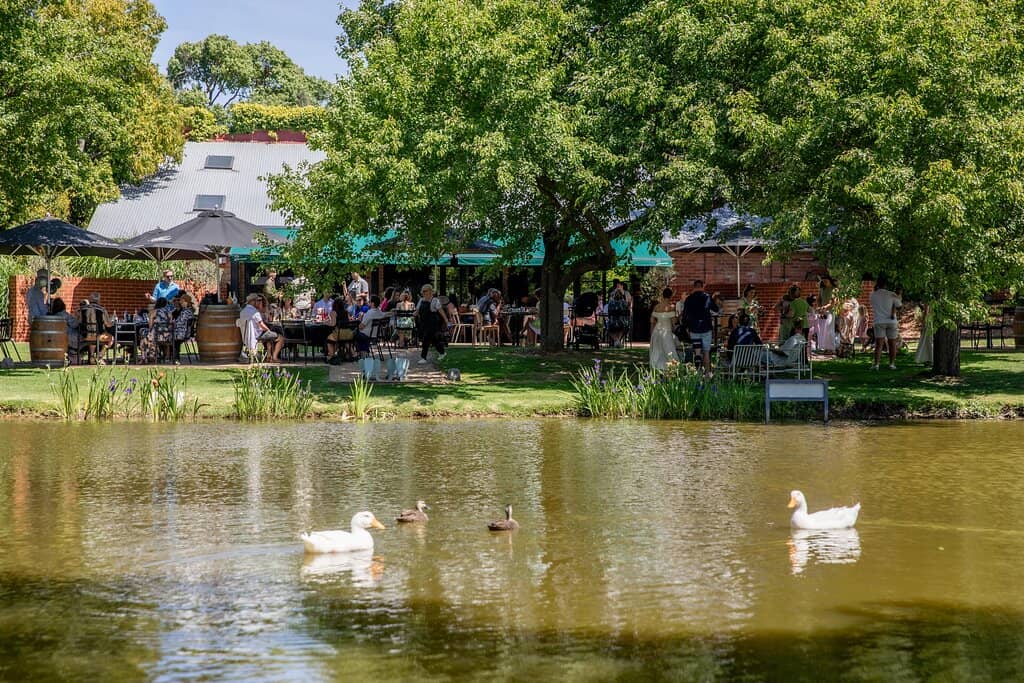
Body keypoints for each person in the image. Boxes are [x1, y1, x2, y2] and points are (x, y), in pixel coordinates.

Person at [682, 280, 720, 374]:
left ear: (694, 287)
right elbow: (716, 309)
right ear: (702, 287)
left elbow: (685, 314)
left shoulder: (689, 299)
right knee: (706, 352)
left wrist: (686, 327)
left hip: (694, 328)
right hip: (706, 328)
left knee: (697, 352)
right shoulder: (707, 297)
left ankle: (698, 374)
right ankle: (707, 374)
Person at [869, 275, 902, 370]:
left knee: (879, 344)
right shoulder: (892, 294)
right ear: (886, 285)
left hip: (879, 321)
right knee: (892, 343)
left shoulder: (873, 295)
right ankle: (892, 364)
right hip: (891, 321)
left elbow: (873, 305)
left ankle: (876, 364)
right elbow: (899, 306)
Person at [239, 293, 283, 362]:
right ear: (253, 301)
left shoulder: (243, 311)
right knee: (281, 338)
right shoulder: (254, 312)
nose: (258, 302)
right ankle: (275, 357)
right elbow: (261, 325)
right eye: (257, 300)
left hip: (246, 336)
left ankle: (269, 356)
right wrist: (269, 330)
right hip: (257, 335)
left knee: (269, 336)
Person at [415, 283, 448, 364]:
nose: (423, 293)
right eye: (422, 291)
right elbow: (417, 311)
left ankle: (423, 357)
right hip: (424, 323)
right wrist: (413, 314)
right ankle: (442, 352)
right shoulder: (421, 300)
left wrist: (446, 320)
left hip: (433, 323)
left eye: (425, 291)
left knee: (426, 339)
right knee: (434, 340)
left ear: (430, 291)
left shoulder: (435, 300)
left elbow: (441, 311)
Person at [649, 287, 680, 371]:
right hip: (667, 331)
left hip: (656, 331)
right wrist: (678, 316)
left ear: (663, 295)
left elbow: (652, 320)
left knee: (657, 351)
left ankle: (657, 368)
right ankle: (673, 368)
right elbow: (674, 322)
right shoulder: (671, 307)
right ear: (671, 296)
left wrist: (651, 333)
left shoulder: (657, 306)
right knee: (669, 350)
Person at [79, 292, 114, 363]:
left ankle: (92, 357)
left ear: (90, 299)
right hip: (98, 336)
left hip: (85, 336)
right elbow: (108, 324)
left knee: (93, 337)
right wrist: (113, 322)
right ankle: (100, 356)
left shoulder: (82, 309)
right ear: (99, 300)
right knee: (111, 338)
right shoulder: (102, 310)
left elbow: (79, 322)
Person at [172, 293, 195, 363]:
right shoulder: (187, 310)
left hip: (182, 333)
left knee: (166, 337)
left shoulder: (186, 312)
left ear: (186, 302)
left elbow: (179, 323)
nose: (180, 302)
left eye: (181, 301)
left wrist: (172, 322)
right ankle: (174, 357)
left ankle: (175, 358)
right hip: (183, 332)